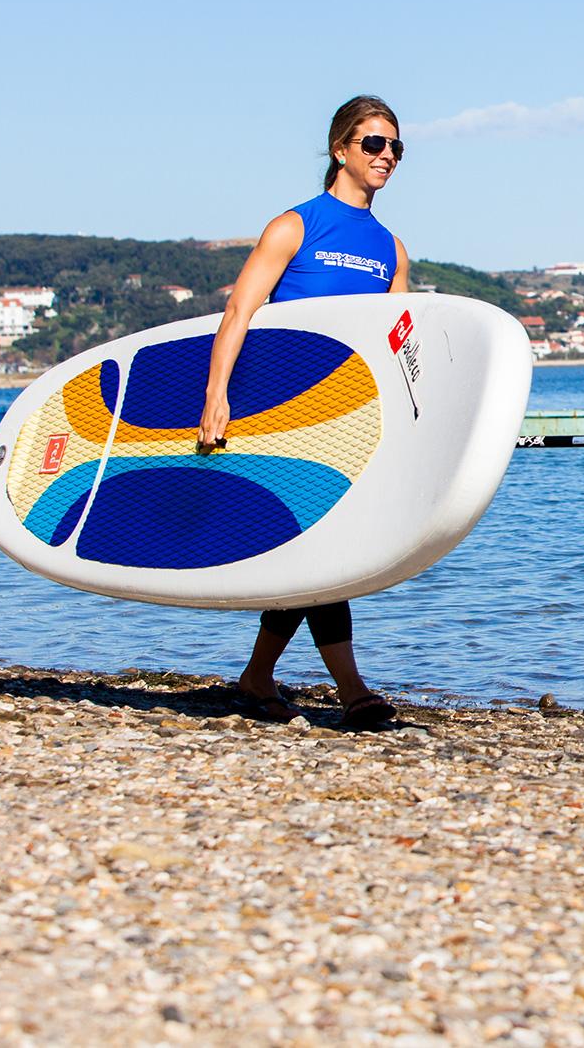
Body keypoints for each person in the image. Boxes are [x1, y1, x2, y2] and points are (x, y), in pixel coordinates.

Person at [200, 95, 411, 729]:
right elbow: (239, 313)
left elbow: (390, 345)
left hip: (348, 418)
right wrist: (216, 397)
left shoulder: (391, 249)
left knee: (318, 545)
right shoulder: (295, 226)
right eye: (374, 144)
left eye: (397, 148)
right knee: (322, 545)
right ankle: (350, 690)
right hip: (279, 411)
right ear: (341, 150)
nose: (387, 157)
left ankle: (260, 675)